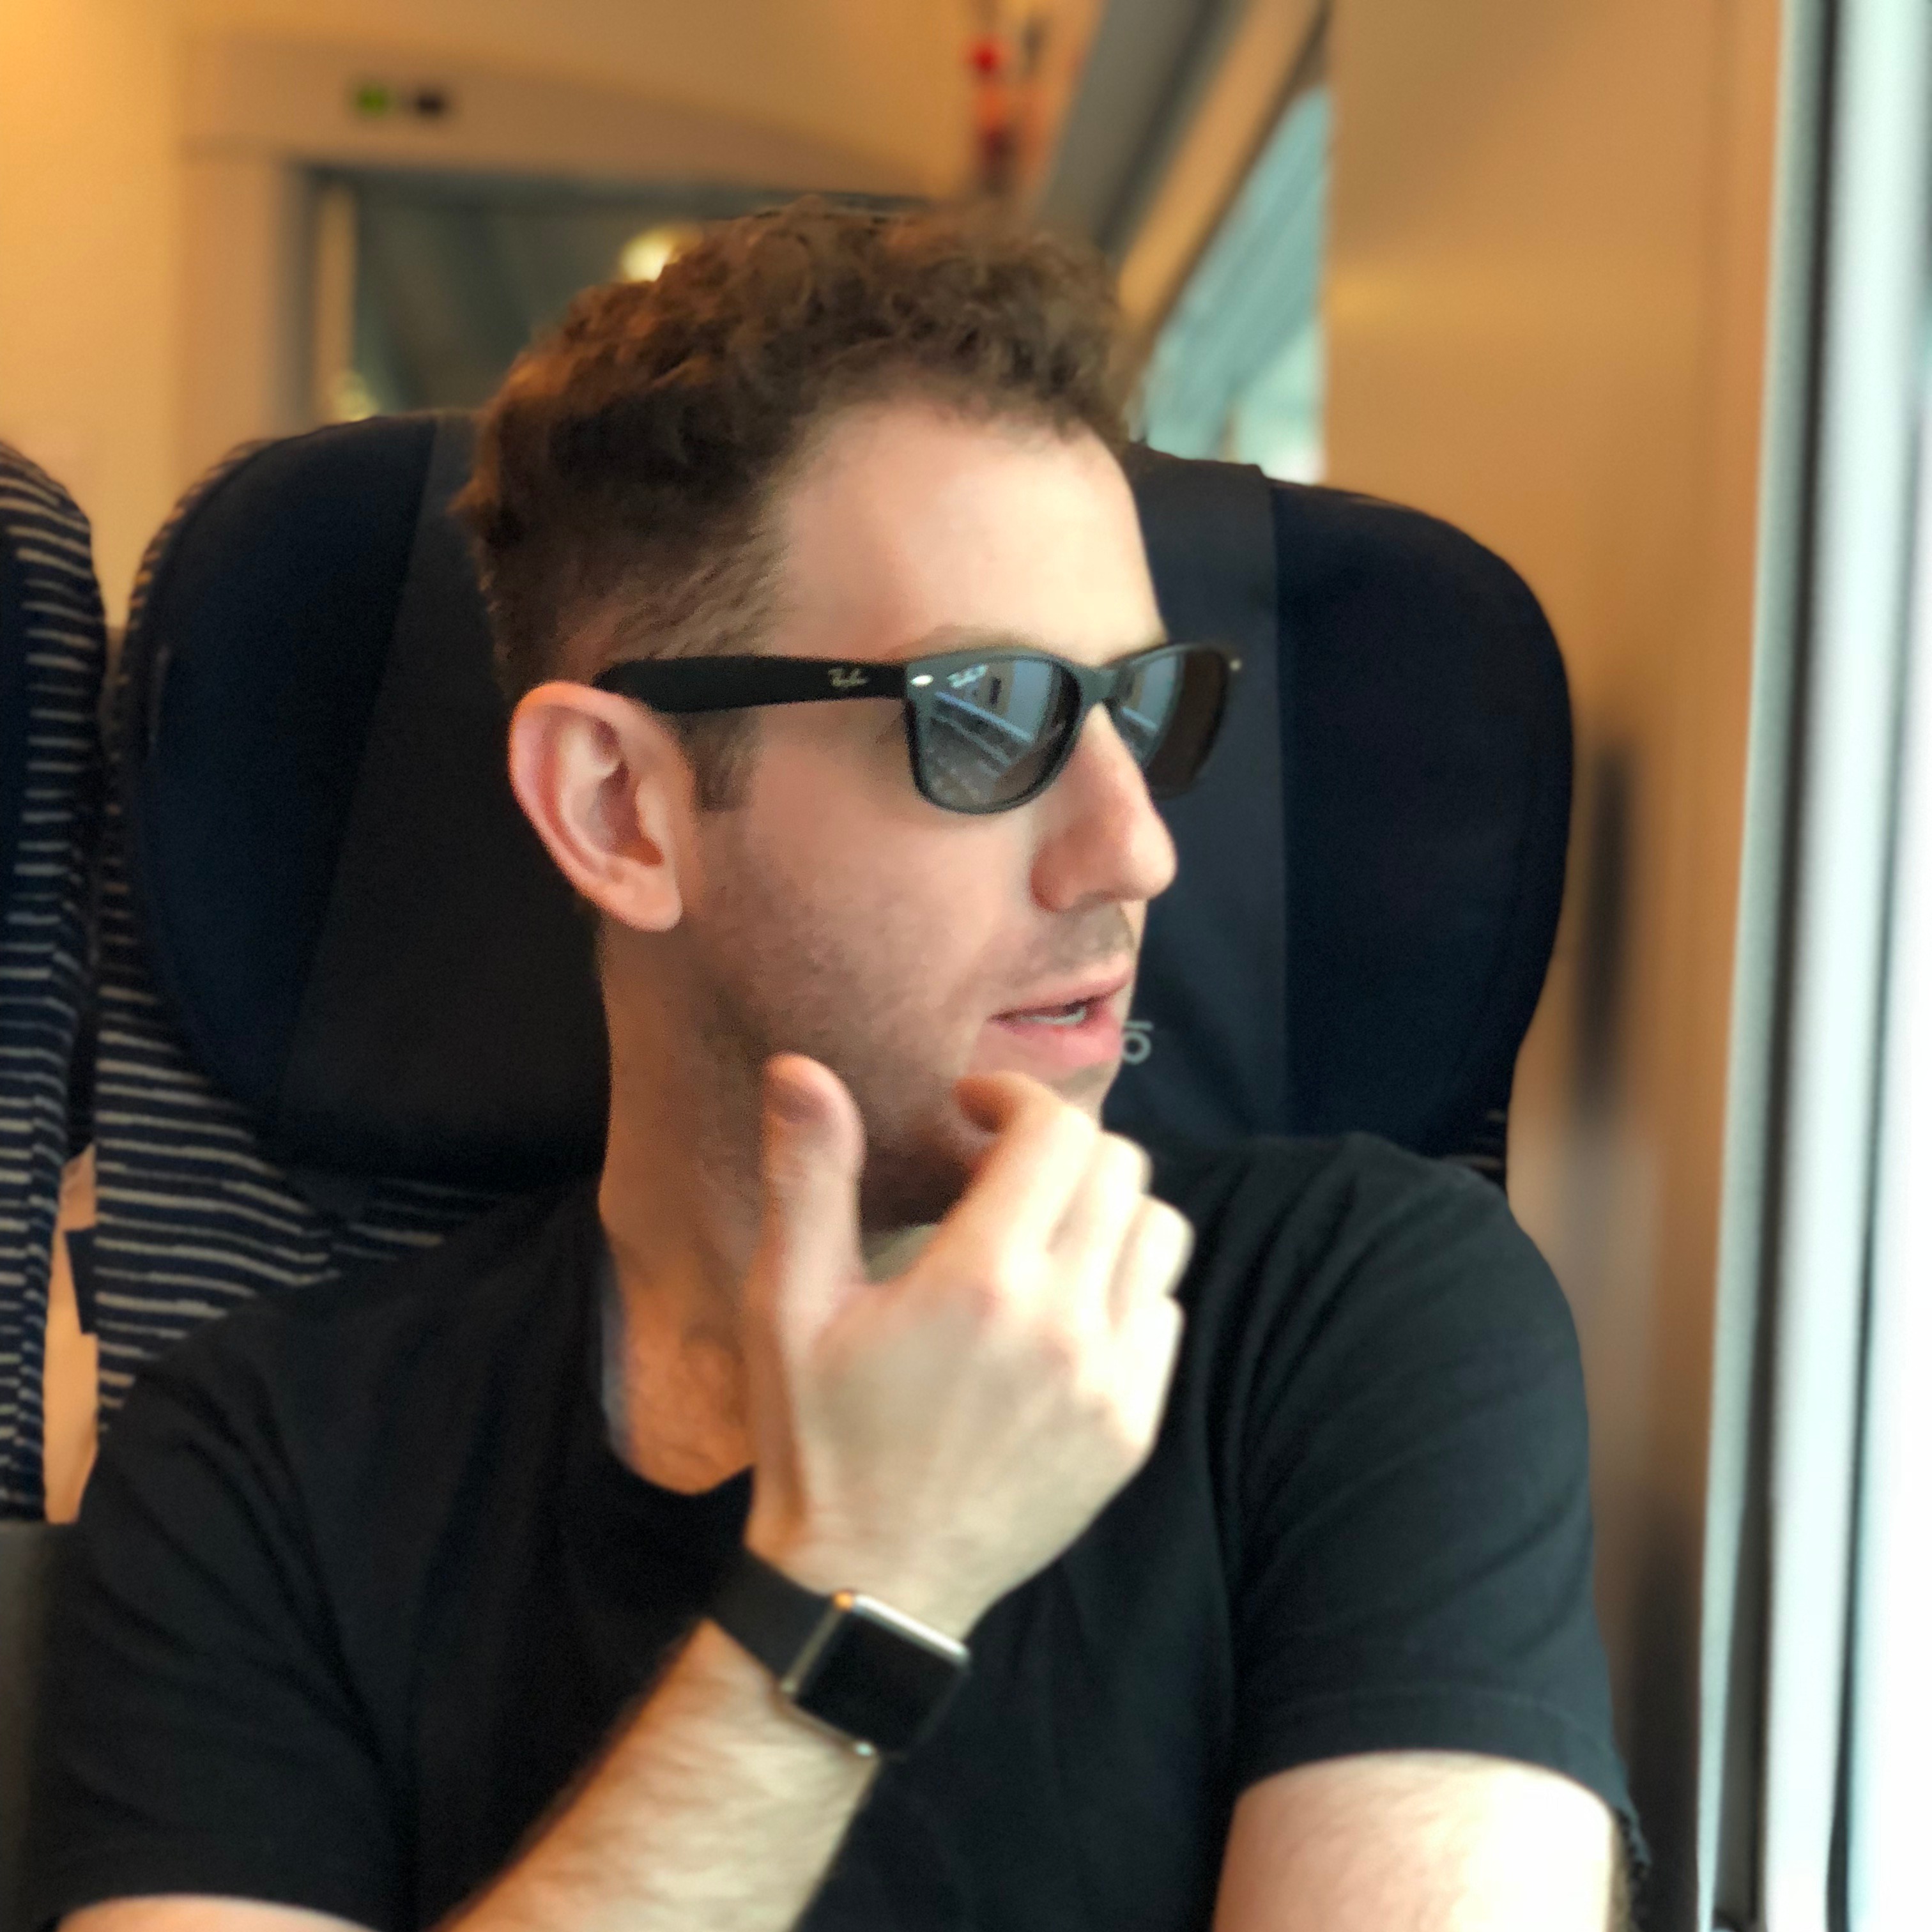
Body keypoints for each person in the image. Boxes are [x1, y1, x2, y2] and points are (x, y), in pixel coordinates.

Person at [27, 201, 1637, 1932]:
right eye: (987, 717)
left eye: (1143, 708)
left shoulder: (1357, 1319)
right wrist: (864, 1586)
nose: (1137, 852)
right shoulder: (259, 1470)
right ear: (619, 809)